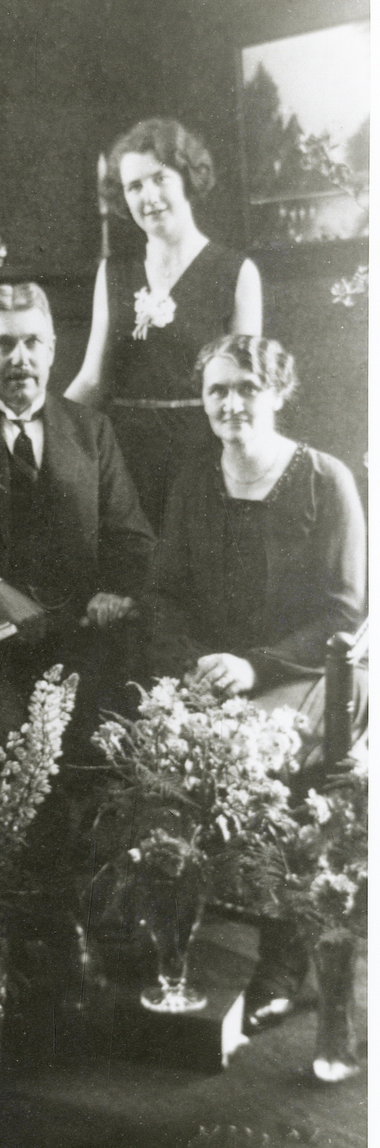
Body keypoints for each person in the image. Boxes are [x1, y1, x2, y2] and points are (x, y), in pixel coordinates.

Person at [143, 333, 367, 1027]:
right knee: (156, 744)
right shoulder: (193, 481)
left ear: (278, 394)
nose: (231, 403)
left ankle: (283, 957)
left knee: (258, 751)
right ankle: (174, 938)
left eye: (248, 388)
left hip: (311, 671)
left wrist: (254, 666)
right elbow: (163, 595)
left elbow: (343, 611)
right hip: (216, 671)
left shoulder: (324, 479)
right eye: (217, 389)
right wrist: (192, 664)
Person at [0, 282, 154, 754]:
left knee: (106, 752)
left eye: (32, 342)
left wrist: (115, 590)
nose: (20, 359)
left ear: (52, 350)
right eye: (3, 344)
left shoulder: (91, 430)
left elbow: (132, 537)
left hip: (83, 641)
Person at [64, 118, 262, 532]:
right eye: (134, 186)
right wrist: (42, 425)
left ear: (187, 179)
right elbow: (93, 380)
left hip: (204, 458)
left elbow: (247, 391)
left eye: (160, 179)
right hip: (125, 461)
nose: (149, 197)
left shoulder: (235, 272)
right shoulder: (113, 272)